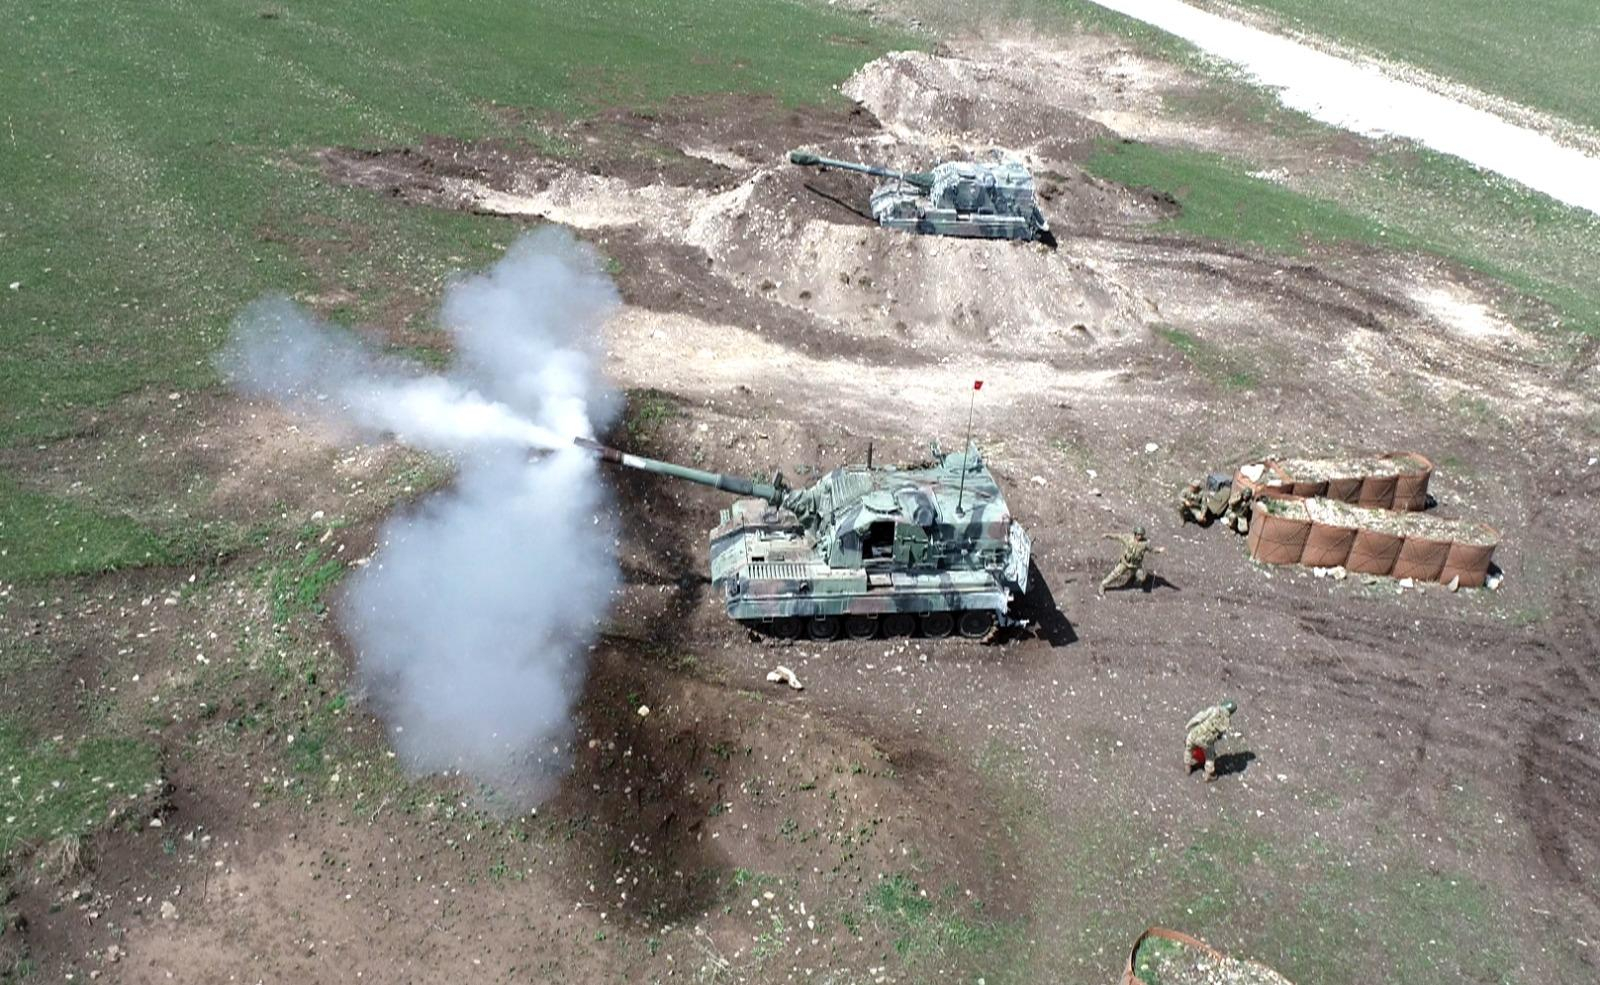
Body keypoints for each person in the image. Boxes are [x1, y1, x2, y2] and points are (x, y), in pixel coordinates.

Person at [1099, 526, 1162, 594]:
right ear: (1135, 534)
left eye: (1141, 535)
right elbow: (1118, 536)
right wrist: (1107, 535)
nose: (1139, 536)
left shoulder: (1145, 543)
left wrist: (1159, 550)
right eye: (1138, 534)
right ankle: (1103, 585)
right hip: (1125, 563)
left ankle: (1135, 584)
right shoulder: (1128, 538)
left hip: (1136, 565)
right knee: (1115, 574)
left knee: (1141, 577)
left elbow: (1152, 550)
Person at [1185, 700, 1237, 782]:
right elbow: (1219, 735)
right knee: (1210, 757)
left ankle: (1187, 767)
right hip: (1206, 741)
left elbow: (1200, 717)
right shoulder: (1227, 722)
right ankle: (1208, 775)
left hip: (1195, 733)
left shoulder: (1213, 710)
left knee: (1189, 748)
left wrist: (1189, 725)